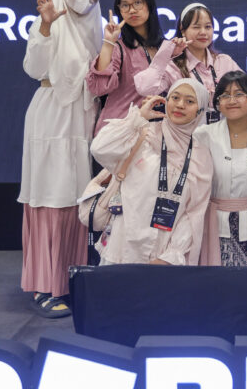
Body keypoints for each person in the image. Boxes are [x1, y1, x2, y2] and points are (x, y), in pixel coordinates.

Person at [19, 0, 103, 318]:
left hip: (81, 120)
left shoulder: (97, 29)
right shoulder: (50, 23)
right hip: (52, 116)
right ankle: (44, 287)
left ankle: (69, 281)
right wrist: (45, 25)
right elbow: (33, 68)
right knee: (50, 199)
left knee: (75, 202)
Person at [88, 78, 213, 265]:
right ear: (166, 101)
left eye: (189, 101)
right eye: (175, 98)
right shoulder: (142, 134)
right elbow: (99, 149)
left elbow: (193, 213)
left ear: (200, 110)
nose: (180, 105)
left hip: (162, 256)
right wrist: (138, 117)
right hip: (121, 248)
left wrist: (171, 255)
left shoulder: (200, 156)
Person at [194, 71, 247, 266]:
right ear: (218, 103)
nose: (232, 101)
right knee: (215, 283)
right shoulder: (202, 135)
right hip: (213, 228)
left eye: (239, 94)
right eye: (225, 95)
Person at [134, 2, 241, 119]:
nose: (203, 32)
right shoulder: (172, 67)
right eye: (196, 27)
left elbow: (244, 94)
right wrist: (165, 55)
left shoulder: (224, 62)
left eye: (208, 27)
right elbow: (144, 88)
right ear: (183, 30)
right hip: (185, 130)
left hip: (222, 129)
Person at [86, 0, 165, 128]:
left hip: (155, 130)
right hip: (121, 130)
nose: (132, 10)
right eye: (125, 5)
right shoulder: (118, 48)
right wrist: (108, 43)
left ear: (149, 3)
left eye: (137, 3)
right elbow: (99, 87)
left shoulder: (165, 47)